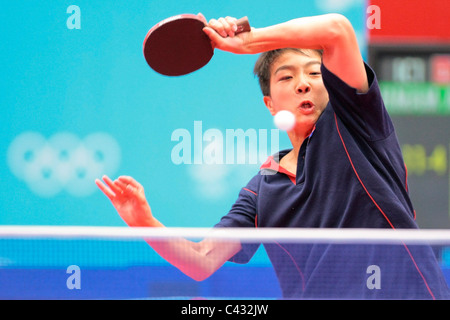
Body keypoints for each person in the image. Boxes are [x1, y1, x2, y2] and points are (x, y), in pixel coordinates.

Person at [96, 13, 449, 299]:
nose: (303, 83)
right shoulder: (261, 188)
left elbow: (337, 29)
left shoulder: (357, 123)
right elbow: (201, 261)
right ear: (270, 104)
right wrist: (144, 222)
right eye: (286, 77)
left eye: (314, 73)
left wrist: (250, 41)